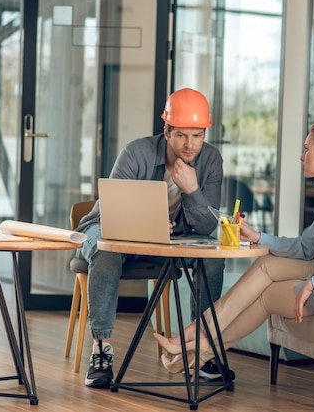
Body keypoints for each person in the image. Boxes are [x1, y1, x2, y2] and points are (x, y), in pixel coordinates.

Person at [153, 122, 314, 375]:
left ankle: (193, 345)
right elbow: (305, 247)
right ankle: (196, 339)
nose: (301, 156)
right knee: (266, 264)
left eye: (307, 149)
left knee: (265, 296)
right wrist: (258, 236)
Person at [74, 88, 226, 388]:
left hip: (167, 243)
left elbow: (207, 227)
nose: (190, 145)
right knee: (106, 250)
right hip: (109, 232)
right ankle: (101, 348)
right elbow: (111, 211)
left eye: (197, 135)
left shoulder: (211, 161)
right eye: (181, 135)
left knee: (213, 259)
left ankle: (202, 351)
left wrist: (192, 191)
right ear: (166, 130)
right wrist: (147, 223)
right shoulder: (137, 152)